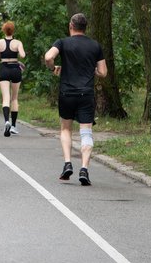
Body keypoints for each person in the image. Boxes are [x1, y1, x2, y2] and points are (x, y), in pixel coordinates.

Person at [44, 13, 107, 186]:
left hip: (67, 93)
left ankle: (67, 163)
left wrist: (53, 68)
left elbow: (48, 57)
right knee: (86, 132)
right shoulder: (95, 45)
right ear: (85, 27)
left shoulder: (62, 43)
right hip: (86, 93)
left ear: (71, 25)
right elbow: (103, 72)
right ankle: (84, 169)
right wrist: (90, 70)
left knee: (65, 129)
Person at [0, 21, 26, 137]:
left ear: (3, 30)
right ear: (13, 30)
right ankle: (13, 126)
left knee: (5, 97)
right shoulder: (17, 42)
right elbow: (22, 55)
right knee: (14, 98)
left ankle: (6, 121)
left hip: (4, 69)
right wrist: (18, 50)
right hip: (15, 69)